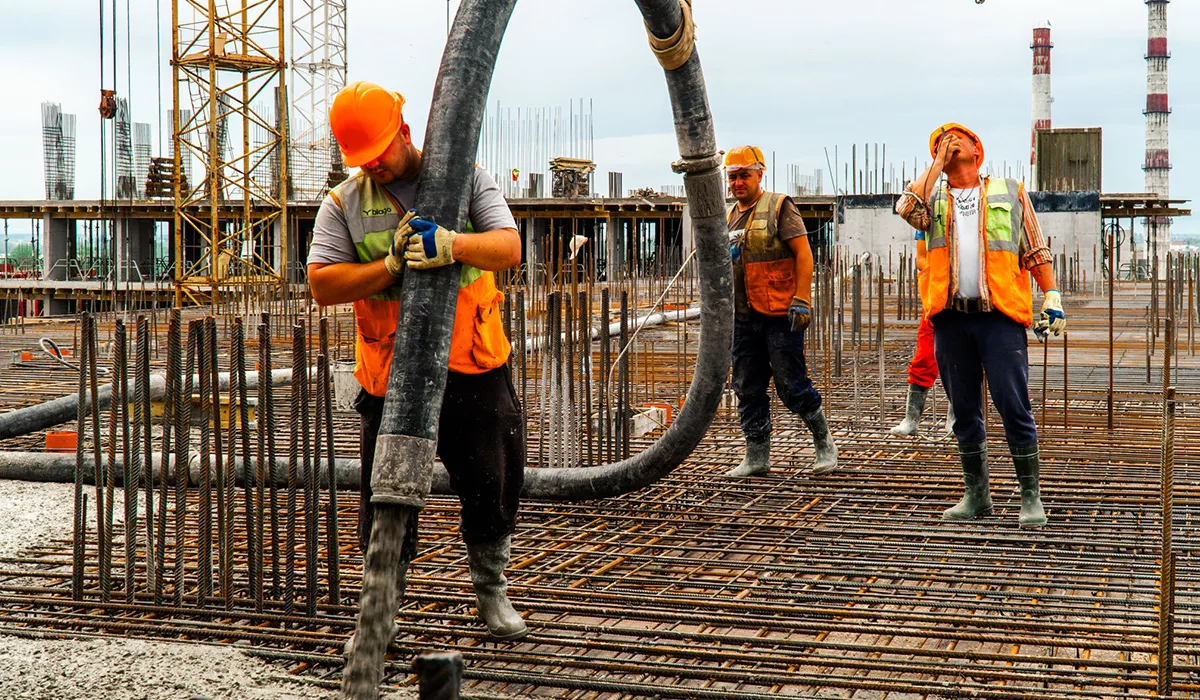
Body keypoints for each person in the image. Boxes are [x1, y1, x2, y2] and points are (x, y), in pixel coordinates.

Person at [307, 81, 528, 641]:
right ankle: (382, 606)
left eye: (378, 153)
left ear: (403, 133)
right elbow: (322, 283)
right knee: (387, 493)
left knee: (491, 482)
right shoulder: (345, 204)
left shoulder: (465, 177)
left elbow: (508, 247)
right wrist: (389, 268)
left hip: (473, 367)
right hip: (392, 378)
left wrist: (454, 244)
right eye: (361, 159)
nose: (372, 166)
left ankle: (491, 588)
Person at [896, 123, 1065, 528]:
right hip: (951, 320)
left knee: (1013, 404)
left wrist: (1052, 295)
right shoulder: (931, 199)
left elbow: (1033, 246)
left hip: (1000, 318)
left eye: (959, 139)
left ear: (978, 149)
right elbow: (905, 208)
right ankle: (977, 495)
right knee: (965, 410)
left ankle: (1030, 497)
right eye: (940, 142)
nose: (950, 143)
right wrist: (936, 164)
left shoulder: (1009, 190)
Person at [723, 145, 838, 478]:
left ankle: (824, 442)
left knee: (791, 384)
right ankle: (756, 455)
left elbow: (803, 254)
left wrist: (802, 298)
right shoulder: (730, 216)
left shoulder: (778, 207)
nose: (738, 182)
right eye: (733, 177)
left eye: (744, 175)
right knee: (747, 386)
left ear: (760, 174)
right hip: (743, 318)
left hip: (779, 314)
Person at [889, 232, 955, 438]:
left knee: (962, 362)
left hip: (970, 299)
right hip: (936, 299)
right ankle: (911, 420)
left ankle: (957, 418)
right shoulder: (930, 216)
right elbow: (921, 259)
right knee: (924, 358)